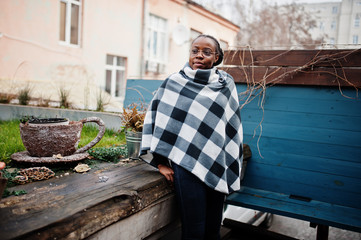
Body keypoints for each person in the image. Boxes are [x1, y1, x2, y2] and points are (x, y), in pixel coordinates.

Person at [140, 34, 243, 240]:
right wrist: (160, 163)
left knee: (213, 228)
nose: (199, 55)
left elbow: (231, 127)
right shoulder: (174, 82)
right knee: (193, 229)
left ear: (216, 58)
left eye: (206, 52)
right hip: (184, 166)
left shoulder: (225, 84)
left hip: (215, 164)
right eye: (195, 50)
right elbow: (157, 121)